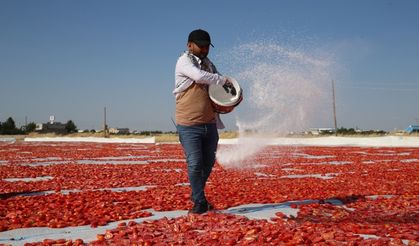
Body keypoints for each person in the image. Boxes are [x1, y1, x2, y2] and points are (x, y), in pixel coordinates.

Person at [173, 29, 233, 214]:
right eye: (201, 45)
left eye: (207, 46)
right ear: (189, 45)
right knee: (195, 162)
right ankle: (199, 201)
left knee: (208, 162)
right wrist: (223, 79)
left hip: (209, 123)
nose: (205, 49)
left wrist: (230, 96)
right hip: (189, 124)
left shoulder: (209, 65)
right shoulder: (184, 61)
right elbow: (199, 76)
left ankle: (197, 194)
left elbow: (220, 87)